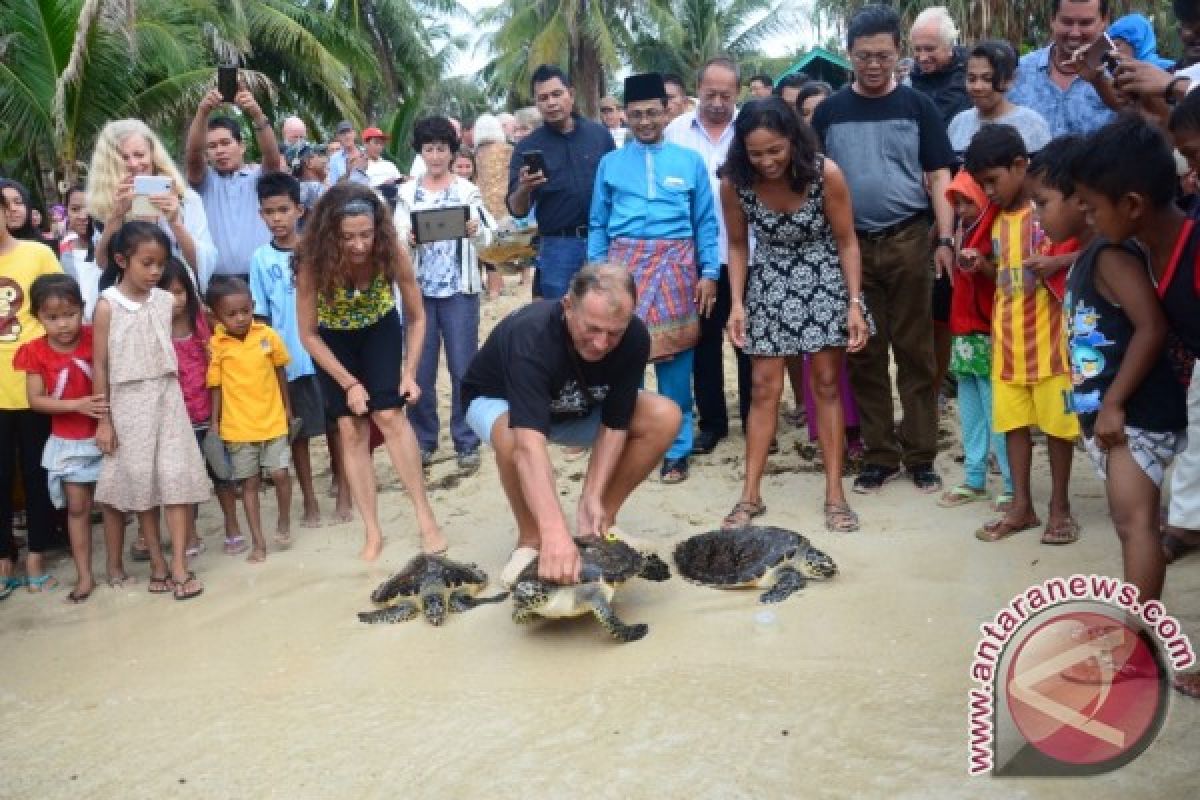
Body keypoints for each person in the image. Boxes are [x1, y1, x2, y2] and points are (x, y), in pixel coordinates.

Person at [1062, 115, 1195, 693]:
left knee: (1135, 522)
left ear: (1133, 203)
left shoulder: (1187, 256)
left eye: (1091, 207)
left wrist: (1114, 399)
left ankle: (1136, 647)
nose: (1085, 217)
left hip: (1146, 412)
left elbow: (1150, 329)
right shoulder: (1144, 250)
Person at [810, 4, 957, 494]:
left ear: (899, 55)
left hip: (911, 240)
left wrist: (946, 238)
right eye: (864, 56)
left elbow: (939, 176)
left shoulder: (919, 108)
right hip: (849, 249)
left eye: (884, 56)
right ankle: (879, 455)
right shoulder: (830, 112)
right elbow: (813, 182)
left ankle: (920, 455)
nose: (874, 66)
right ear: (849, 55)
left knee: (916, 354)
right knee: (864, 353)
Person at [461, 265, 679, 585]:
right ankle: (532, 539)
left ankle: (601, 523)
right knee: (511, 437)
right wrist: (555, 533)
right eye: (592, 328)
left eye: (613, 333)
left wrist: (592, 494)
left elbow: (616, 423)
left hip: (576, 405)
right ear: (568, 306)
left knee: (665, 416)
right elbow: (528, 445)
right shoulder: (532, 335)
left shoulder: (633, 337)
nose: (601, 343)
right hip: (499, 402)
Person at [721, 97, 870, 532]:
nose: (767, 162)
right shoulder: (735, 182)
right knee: (763, 388)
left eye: (775, 151)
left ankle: (835, 495)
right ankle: (750, 495)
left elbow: (847, 242)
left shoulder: (826, 173)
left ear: (793, 141)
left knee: (825, 385)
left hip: (824, 278)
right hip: (768, 281)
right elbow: (735, 245)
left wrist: (854, 303)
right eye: (756, 153)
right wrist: (737, 302)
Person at [295, 183, 446, 560]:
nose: (360, 245)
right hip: (332, 341)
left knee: (390, 414)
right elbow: (308, 335)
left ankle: (425, 517)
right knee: (351, 428)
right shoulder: (312, 263)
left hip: (379, 328)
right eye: (349, 238)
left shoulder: (390, 251)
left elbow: (417, 317)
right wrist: (348, 383)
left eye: (366, 235)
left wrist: (409, 373)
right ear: (332, 234)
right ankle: (372, 531)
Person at [587, 73, 720, 485]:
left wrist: (710, 273)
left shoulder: (689, 162)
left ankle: (676, 450)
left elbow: (705, 223)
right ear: (625, 115)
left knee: (677, 360)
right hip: (623, 270)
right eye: (637, 114)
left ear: (668, 111)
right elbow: (597, 224)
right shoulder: (610, 164)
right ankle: (627, 439)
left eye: (652, 113)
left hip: (678, 269)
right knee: (624, 357)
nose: (645, 121)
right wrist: (597, 275)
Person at [964, 125, 1081, 545]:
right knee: (1013, 425)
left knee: (1057, 428)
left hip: (1051, 342)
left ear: (1020, 165)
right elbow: (1008, 278)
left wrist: (1059, 261)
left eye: (992, 181)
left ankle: (1060, 507)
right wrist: (983, 266)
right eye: (982, 185)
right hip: (1008, 340)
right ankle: (1022, 506)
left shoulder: (1049, 208)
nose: (989, 192)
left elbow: (1095, 243)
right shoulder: (996, 221)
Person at [93, 221, 211, 600]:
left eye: (160, 264)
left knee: (175, 478)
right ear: (121, 260)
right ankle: (157, 560)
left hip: (167, 395)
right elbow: (100, 366)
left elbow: (198, 308)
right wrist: (104, 420)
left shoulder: (164, 301)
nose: (155, 272)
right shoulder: (107, 305)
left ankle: (178, 563)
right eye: (147, 263)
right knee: (143, 484)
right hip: (128, 402)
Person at [393, 116, 493, 471]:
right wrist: (408, 240)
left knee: (464, 365)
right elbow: (395, 242)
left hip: (459, 290)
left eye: (441, 149)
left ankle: (467, 439)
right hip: (418, 293)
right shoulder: (407, 194)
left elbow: (490, 239)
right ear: (420, 152)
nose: (435, 156)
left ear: (452, 152)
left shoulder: (466, 191)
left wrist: (475, 229)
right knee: (419, 370)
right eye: (429, 149)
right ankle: (424, 439)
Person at [664, 56, 752, 454]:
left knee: (750, 340)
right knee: (704, 344)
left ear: (738, 93)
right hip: (698, 259)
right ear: (696, 90)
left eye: (726, 95)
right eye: (710, 93)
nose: (717, 102)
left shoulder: (751, 128)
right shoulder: (675, 133)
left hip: (750, 255)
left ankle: (755, 419)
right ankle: (713, 423)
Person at [14, 274, 110, 601]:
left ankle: (115, 566)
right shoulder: (34, 352)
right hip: (68, 441)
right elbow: (35, 400)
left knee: (113, 504)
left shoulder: (93, 336)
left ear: (82, 310)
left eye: (70, 314)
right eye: (52, 318)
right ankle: (85, 575)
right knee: (78, 506)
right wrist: (77, 405)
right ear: (38, 317)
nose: (63, 324)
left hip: (105, 434)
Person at [250, 172, 332, 528]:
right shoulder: (260, 260)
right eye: (270, 212)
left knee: (334, 425)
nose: (277, 218)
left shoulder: (316, 252)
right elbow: (261, 314)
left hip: (323, 354)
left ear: (299, 210)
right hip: (288, 360)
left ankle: (343, 487)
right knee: (297, 433)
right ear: (261, 215)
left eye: (283, 210)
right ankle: (310, 501)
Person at [936, 169, 1013, 512]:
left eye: (968, 201)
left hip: (986, 330)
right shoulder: (963, 230)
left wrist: (981, 265)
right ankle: (974, 478)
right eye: (957, 202)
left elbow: (1007, 279)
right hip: (964, 332)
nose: (963, 208)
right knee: (970, 412)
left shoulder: (995, 227)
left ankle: (1011, 484)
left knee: (997, 412)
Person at [0, 181, 62, 594]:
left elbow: (62, 308)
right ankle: (4, 558)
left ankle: (38, 549)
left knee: (40, 472)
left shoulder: (37, 253)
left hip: (36, 388)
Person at [508, 65, 615, 300]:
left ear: (571, 94)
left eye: (557, 94)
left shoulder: (600, 136)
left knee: (606, 312)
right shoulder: (527, 148)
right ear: (536, 103)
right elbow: (517, 210)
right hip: (558, 246)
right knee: (559, 318)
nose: (551, 103)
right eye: (543, 98)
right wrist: (525, 187)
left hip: (603, 241)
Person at [206, 278, 294, 563]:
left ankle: (283, 519)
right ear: (216, 316)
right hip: (238, 428)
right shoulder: (217, 345)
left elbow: (281, 372)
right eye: (231, 314)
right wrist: (216, 423)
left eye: (245, 310)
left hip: (274, 420)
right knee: (249, 485)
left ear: (253, 306)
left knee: (280, 474)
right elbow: (216, 385)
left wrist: (288, 411)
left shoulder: (267, 336)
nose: (240, 318)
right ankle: (259, 542)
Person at [157, 256, 235, 558]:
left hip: (210, 413)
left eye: (179, 292)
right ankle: (189, 534)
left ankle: (232, 526)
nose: (174, 300)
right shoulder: (155, 329)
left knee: (223, 475)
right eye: (166, 293)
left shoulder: (201, 321)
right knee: (183, 481)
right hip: (176, 420)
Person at [87, 119, 217, 287]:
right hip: (127, 301)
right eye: (124, 157)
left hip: (176, 297)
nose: (134, 164)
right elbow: (103, 264)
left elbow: (203, 265)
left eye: (140, 155)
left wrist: (176, 223)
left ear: (153, 155)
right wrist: (116, 217)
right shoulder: (104, 204)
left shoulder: (185, 198)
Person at [184, 86, 283, 283]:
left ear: (242, 146)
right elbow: (193, 155)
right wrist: (202, 112)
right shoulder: (204, 182)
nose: (219, 150)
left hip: (260, 280)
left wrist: (257, 114)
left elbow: (272, 157)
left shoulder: (259, 179)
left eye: (225, 143)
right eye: (211, 146)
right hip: (214, 284)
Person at [1009, 0, 1114, 136]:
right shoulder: (1018, 72)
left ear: (1104, 21)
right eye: (1067, 22)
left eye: (1085, 23)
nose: (1075, 33)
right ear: (1052, 20)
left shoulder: (1120, 75)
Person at [948, 40, 1053, 158]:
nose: (977, 87)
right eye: (972, 79)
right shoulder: (959, 123)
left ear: (1009, 79)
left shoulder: (1032, 125)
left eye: (987, 79)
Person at [908, 6, 972, 126]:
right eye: (917, 49)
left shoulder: (973, 79)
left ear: (949, 46)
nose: (922, 57)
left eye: (930, 49)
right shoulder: (909, 82)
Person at [59, 186, 102, 320]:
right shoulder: (62, 253)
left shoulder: (116, 250)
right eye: (75, 209)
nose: (83, 216)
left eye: (90, 209)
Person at [326, 121, 357, 185]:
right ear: (338, 137)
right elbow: (334, 185)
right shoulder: (334, 159)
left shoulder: (365, 154)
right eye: (343, 133)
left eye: (349, 132)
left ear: (354, 133)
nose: (347, 136)